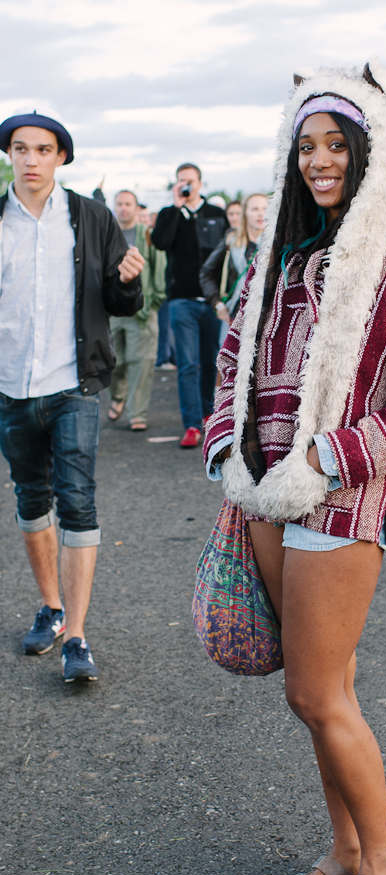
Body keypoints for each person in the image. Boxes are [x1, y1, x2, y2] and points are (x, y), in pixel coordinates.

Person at [203, 63, 386, 875]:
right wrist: (226, 446)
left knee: (317, 689)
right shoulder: (280, 257)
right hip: (264, 496)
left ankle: (385, 862)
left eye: (337, 144)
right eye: (306, 146)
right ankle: (343, 850)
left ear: (369, 151)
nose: (320, 160)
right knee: (315, 696)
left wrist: (323, 458)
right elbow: (235, 356)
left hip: (342, 504)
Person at [0, 113, 144, 680]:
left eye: (43, 150)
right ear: (9, 155)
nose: (31, 160)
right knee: (31, 500)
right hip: (10, 385)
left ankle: (77, 637)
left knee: (78, 502)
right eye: (20, 149)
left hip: (74, 384)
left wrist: (128, 281)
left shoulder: (90, 217)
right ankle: (52, 607)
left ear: (61, 157)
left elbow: (119, 302)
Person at [151, 163, 228, 448]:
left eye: (191, 181)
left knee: (210, 361)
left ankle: (208, 412)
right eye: (181, 181)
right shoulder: (169, 214)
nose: (186, 186)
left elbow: (224, 251)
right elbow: (160, 243)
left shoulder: (215, 214)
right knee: (187, 364)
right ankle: (192, 424)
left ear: (200, 183)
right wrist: (175, 207)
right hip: (181, 299)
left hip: (211, 300)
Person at [107, 190, 166, 430]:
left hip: (142, 310)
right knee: (114, 361)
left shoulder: (147, 234)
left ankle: (137, 413)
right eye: (119, 204)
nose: (123, 208)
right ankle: (118, 396)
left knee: (140, 363)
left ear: (135, 207)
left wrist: (154, 301)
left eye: (127, 204)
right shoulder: (108, 233)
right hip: (111, 310)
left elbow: (159, 266)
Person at [199, 193, 268, 324]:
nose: (261, 213)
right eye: (255, 209)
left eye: (265, 208)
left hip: (266, 316)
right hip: (236, 314)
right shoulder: (231, 240)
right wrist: (217, 304)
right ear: (245, 213)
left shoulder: (278, 243)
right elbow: (206, 272)